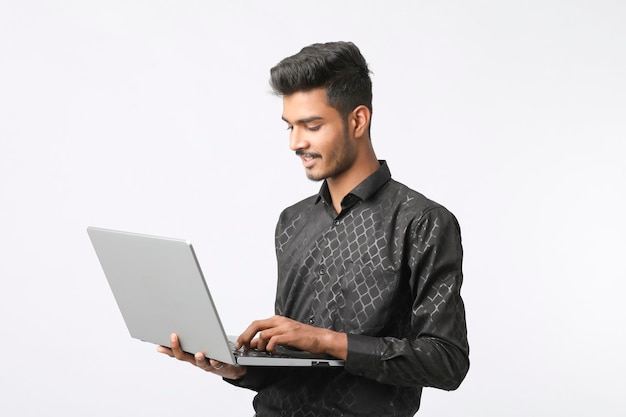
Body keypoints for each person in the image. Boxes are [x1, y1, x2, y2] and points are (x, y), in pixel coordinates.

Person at [158, 41, 469, 416]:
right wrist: (238, 368)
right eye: (290, 126)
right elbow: (292, 362)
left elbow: (446, 361)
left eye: (312, 125)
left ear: (358, 120)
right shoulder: (292, 222)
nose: (295, 142)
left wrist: (325, 340)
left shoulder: (422, 222)